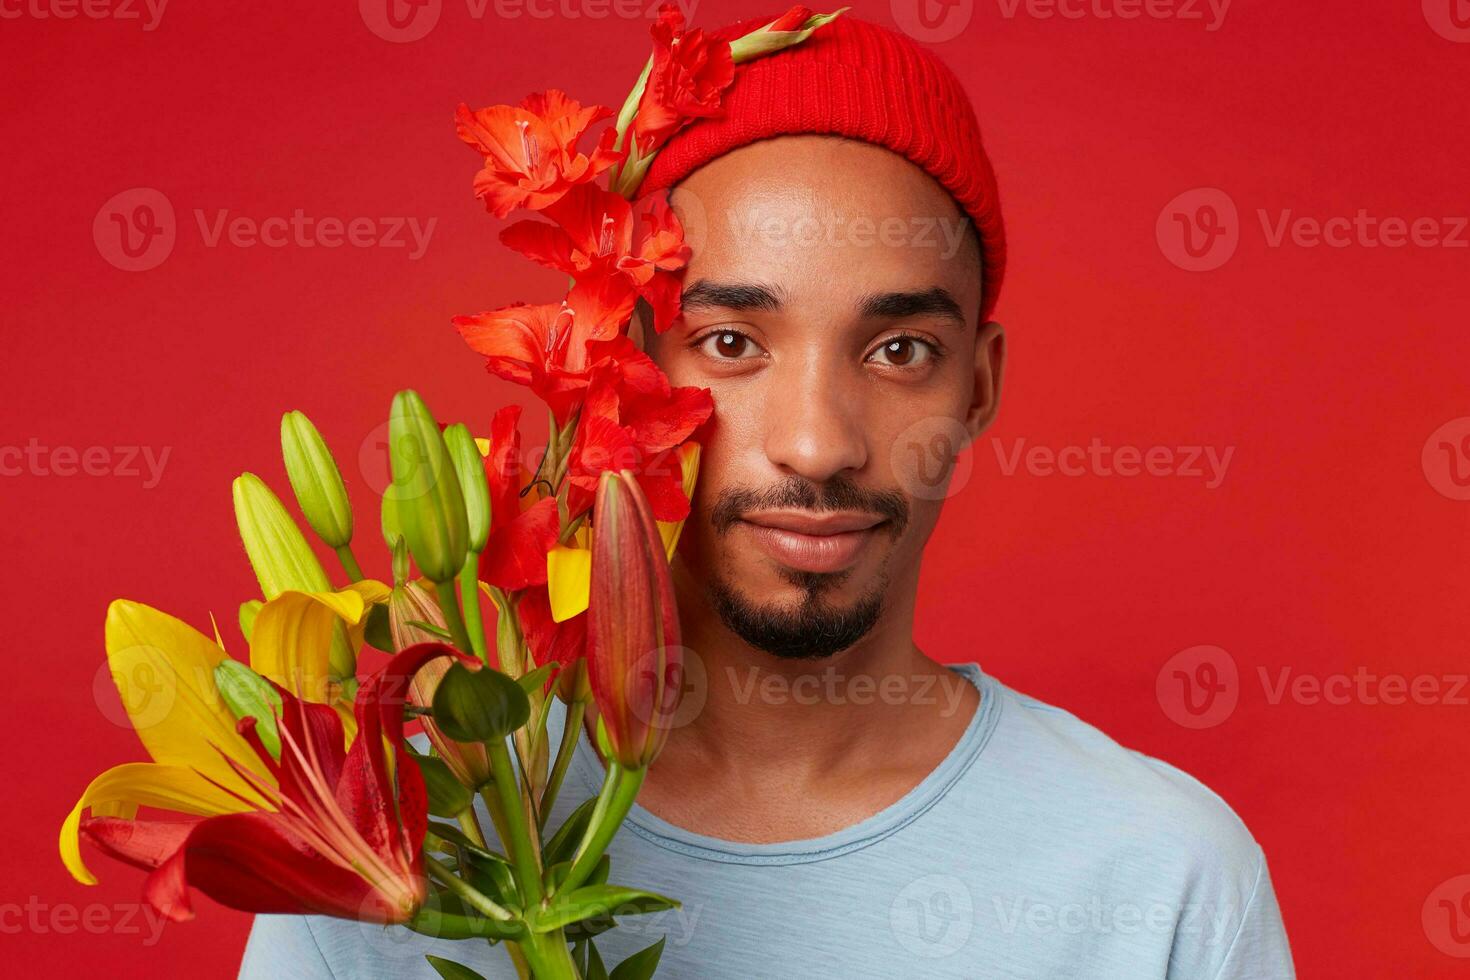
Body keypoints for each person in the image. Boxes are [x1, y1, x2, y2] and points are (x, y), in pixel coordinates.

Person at [241, 12, 1294, 978]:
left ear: (978, 385)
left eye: (899, 349)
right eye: (732, 343)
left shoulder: (1164, 875)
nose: (818, 443)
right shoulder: (390, 846)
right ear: (627, 366)